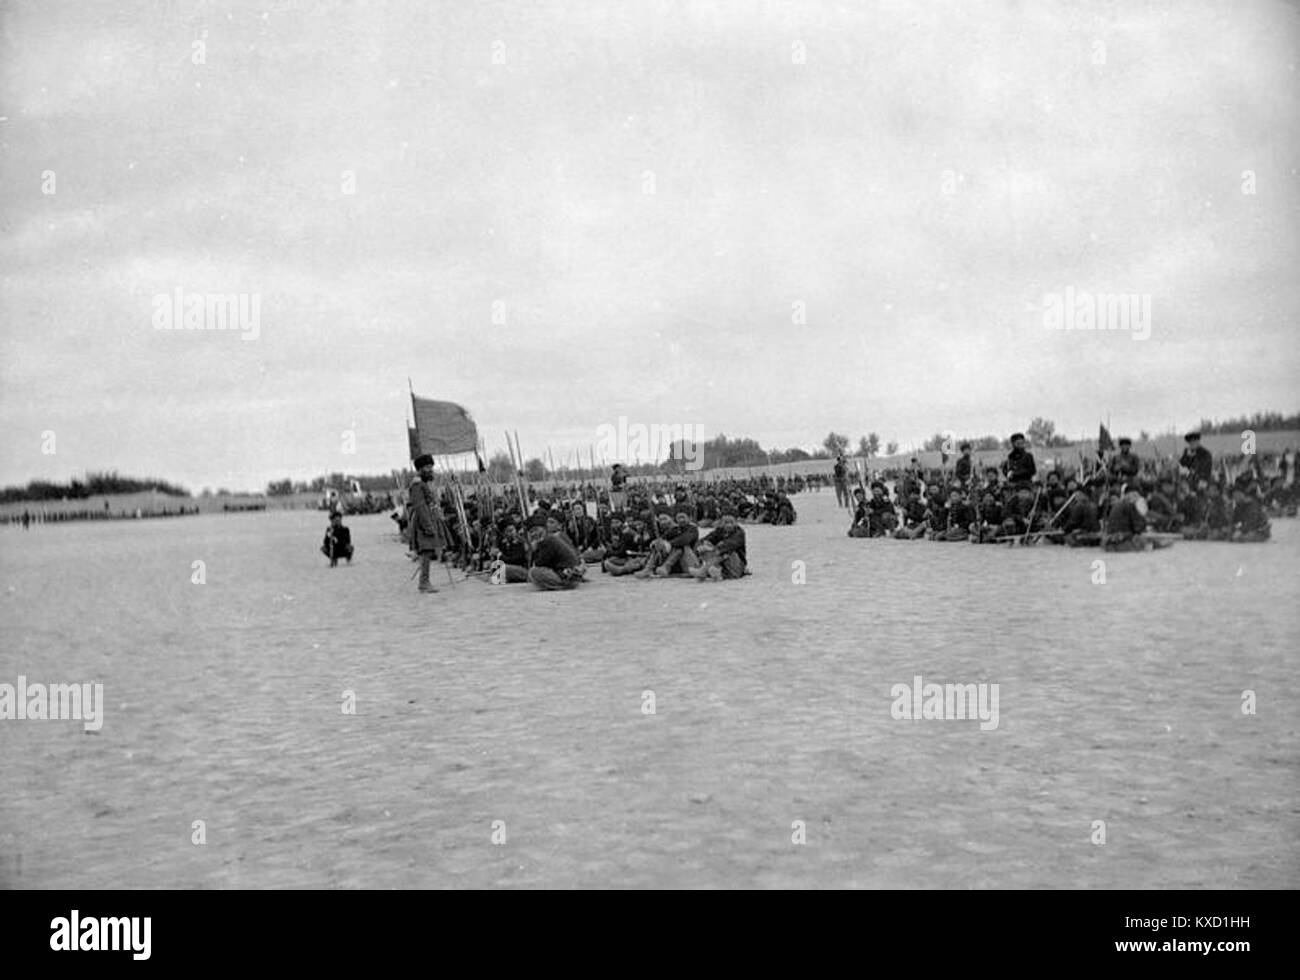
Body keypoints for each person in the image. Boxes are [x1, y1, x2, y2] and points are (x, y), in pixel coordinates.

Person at [408, 454, 448, 593]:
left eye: (431, 467)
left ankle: (425, 581)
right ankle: (424, 583)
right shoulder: (417, 485)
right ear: (420, 469)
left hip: (429, 519)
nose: (430, 470)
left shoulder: (423, 484)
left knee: (429, 550)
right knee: (426, 551)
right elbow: (420, 507)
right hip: (423, 521)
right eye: (427, 467)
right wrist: (428, 526)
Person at [526, 517, 586, 589]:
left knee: (534, 572)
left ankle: (562, 585)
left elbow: (540, 563)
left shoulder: (548, 541)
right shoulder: (548, 539)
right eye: (531, 532)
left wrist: (535, 550)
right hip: (564, 572)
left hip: (566, 574)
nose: (534, 533)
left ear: (544, 529)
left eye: (536, 530)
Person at [690, 512, 748, 580]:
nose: (729, 525)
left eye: (731, 522)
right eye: (726, 522)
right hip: (722, 562)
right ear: (721, 523)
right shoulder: (719, 531)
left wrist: (712, 549)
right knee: (706, 545)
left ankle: (704, 570)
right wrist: (701, 547)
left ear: (736, 522)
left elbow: (729, 545)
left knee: (725, 552)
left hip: (737, 565)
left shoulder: (739, 532)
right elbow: (704, 539)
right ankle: (717, 572)